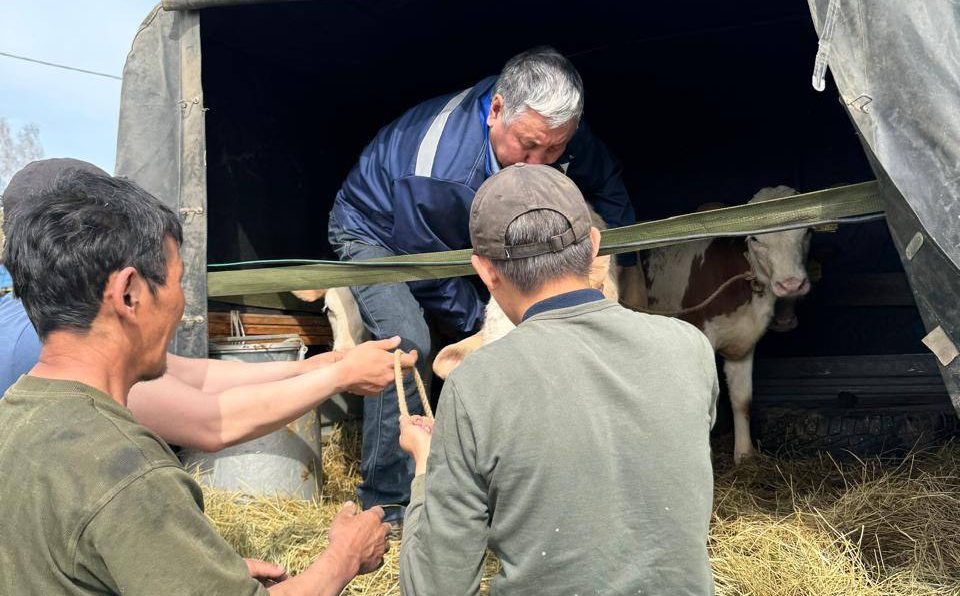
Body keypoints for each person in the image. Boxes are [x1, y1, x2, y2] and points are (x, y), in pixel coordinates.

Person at [0, 167, 394, 595]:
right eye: (177, 280)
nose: (182, 300)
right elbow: (208, 421)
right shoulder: (131, 475)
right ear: (129, 293)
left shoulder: (16, 417)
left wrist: (196, 570)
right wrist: (344, 558)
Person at [329, 46, 639, 521]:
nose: (538, 163)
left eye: (553, 150)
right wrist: (490, 323)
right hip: (381, 232)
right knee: (405, 342)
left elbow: (608, 183)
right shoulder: (438, 168)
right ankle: (388, 503)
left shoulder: (551, 127)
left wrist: (628, 261)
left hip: (464, 235)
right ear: (496, 110)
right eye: (528, 147)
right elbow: (428, 265)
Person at [397, 164, 718, 595]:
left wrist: (425, 466)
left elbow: (435, 587)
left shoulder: (474, 385)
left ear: (486, 272)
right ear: (596, 249)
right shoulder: (689, 346)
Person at [0, 158, 416, 451]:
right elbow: (207, 421)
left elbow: (193, 375)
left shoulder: (44, 312)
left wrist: (316, 367)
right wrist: (340, 377)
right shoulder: (55, 343)